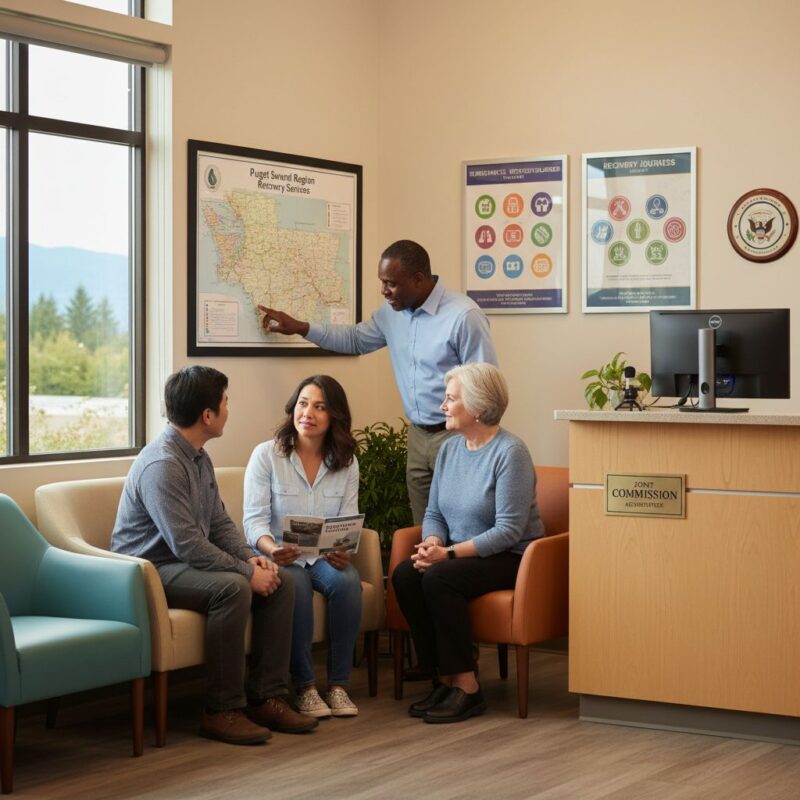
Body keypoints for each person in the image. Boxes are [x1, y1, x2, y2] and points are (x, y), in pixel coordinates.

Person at [111, 366, 318, 745]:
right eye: (225, 402)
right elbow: (187, 544)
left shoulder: (198, 456)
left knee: (282, 582)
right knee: (233, 589)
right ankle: (221, 709)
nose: (228, 409)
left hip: (182, 562)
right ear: (208, 415)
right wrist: (244, 572)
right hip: (150, 570)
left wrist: (252, 559)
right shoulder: (163, 465)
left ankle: (267, 696)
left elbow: (219, 523)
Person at [258, 239, 498, 524]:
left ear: (418, 279)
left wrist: (478, 442)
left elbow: (485, 387)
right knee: (424, 524)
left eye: (391, 284)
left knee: (464, 520)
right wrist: (301, 328)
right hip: (419, 435)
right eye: (382, 282)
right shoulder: (391, 315)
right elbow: (355, 339)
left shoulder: (464, 316)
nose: (384, 291)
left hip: (458, 434)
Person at [391, 362, 544, 723]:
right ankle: (442, 675)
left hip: (510, 556)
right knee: (405, 575)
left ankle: (467, 686)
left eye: (450, 399)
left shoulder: (511, 453)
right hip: (461, 553)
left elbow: (508, 530)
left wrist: (447, 555)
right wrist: (431, 543)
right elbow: (435, 513)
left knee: (439, 578)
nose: (442, 406)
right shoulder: (450, 450)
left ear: (475, 407)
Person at [243, 375, 362, 719]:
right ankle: (306, 687)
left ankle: (338, 685)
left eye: (320, 406)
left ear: (334, 416)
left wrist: (345, 549)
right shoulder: (267, 455)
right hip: (282, 554)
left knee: (348, 582)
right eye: (303, 403)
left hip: (323, 556)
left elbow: (348, 517)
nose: (308, 413)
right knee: (294, 584)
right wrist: (271, 548)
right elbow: (253, 521)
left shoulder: (347, 460)